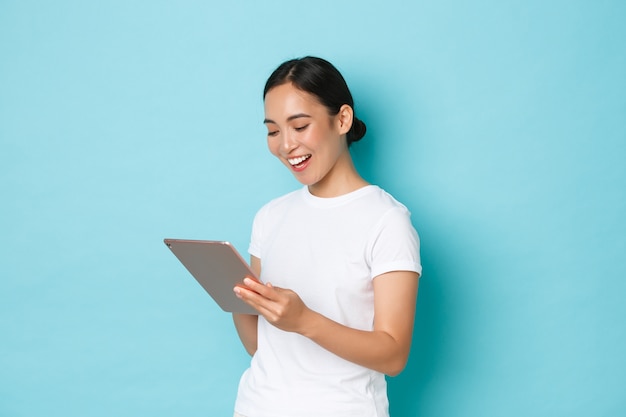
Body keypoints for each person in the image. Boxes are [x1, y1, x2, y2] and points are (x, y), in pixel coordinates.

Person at [231, 56, 421, 417]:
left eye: (299, 126)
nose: (286, 145)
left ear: (342, 120)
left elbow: (393, 355)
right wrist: (235, 297)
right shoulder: (270, 217)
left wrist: (304, 320)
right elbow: (261, 346)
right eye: (273, 131)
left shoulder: (386, 221)